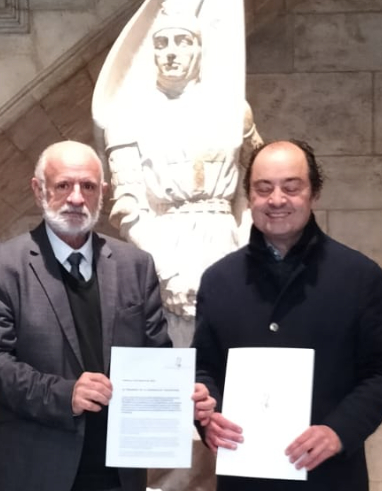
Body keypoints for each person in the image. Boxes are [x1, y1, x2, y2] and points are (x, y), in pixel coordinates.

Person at [0, 140, 216, 491]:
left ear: (103, 190)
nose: (76, 197)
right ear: (39, 190)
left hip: (116, 489)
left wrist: (183, 395)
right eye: (63, 185)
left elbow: (155, 355)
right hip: (35, 486)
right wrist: (66, 393)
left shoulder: (135, 266)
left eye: (87, 186)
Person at [191, 140, 382, 491]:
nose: (277, 199)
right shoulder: (219, 280)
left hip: (328, 489)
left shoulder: (359, 276)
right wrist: (207, 414)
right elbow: (204, 369)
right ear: (248, 196)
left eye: (291, 186)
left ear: (314, 192)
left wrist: (338, 431)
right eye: (264, 188)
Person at [103, 2, 262, 319]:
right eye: (162, 43)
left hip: (226, 237)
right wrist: (166, 271)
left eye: (182, 41)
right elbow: (129, 207)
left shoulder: (233, 110)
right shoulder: (128, 115)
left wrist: (245, 246)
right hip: (162, 243)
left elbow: (256, 185)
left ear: (198, 48)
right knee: (171, 340)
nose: (171, 53)